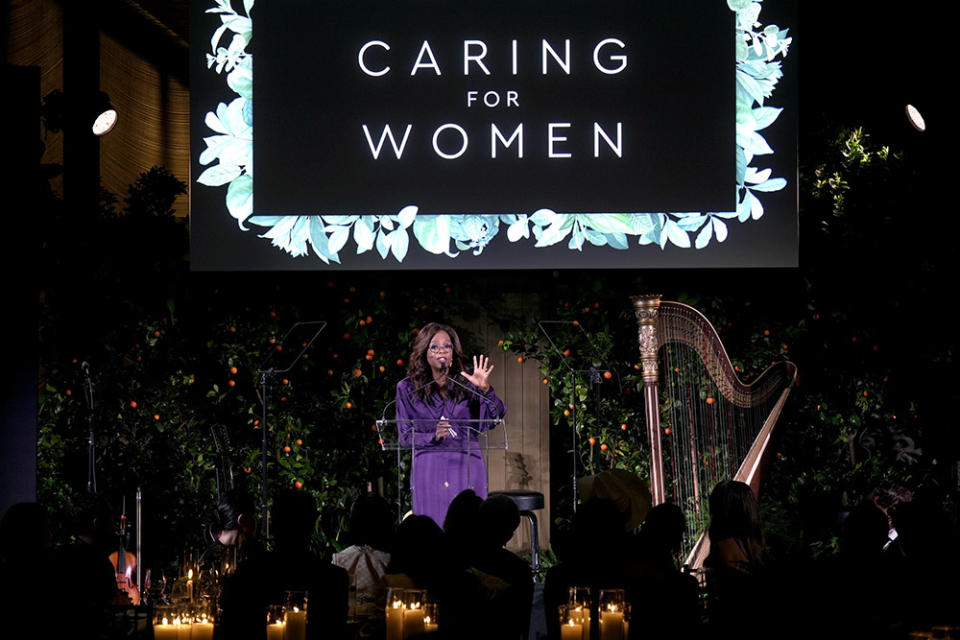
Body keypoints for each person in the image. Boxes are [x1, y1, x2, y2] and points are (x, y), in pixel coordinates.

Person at [395, 322, 506, 527]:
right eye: (434, 346)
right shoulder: (406, 388)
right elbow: (403, 437)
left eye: (447, 346)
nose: (442, 351)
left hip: (467, 465)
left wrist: (485, 389)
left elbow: (495, 416)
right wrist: (431, 435)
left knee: (468, 528)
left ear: (454, 351)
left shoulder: (468, 382)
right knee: (432, 531)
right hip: (428, 468)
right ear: (424, 352)